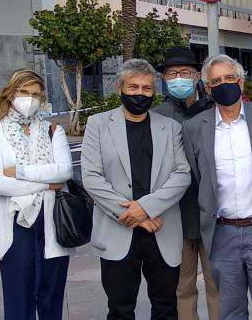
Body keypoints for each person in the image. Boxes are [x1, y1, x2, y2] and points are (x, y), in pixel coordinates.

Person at [82, 59, 191, 320]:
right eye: (133, 88)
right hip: (119, 230)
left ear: (154, 92)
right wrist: (137, 215)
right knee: (120, 309)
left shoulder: (171, 127)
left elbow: (182, 174)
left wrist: (145, 208)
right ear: (119, 88)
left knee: (166, 308)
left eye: (146, 89)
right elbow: (92, 177)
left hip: (161, 229)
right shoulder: (97, 124)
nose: (139, 94)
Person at [182, 54, 252, 320]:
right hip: (222, 235)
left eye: (230, 78)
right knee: (230, 312)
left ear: (241, 82)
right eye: (216, 81)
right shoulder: (194, 127)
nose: (224, 84)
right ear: (207, 88)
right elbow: (197, 177)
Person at [0, 69, 74, 319]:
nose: (29, 99)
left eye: (36, 94)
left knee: (51, 297)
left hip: (53, 221)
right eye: (24, 92)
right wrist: (45, 183)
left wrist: (19, 171)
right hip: (14, 223)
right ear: (10, 94)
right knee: (18, 301)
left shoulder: (53, 130)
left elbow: (64, 171)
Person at [150, 46, 220, 320]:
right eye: (171, 74)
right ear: (164, 80)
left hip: (211, 214)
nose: (178, 78)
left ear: (197, 76)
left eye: (185, 73)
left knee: (218, 286)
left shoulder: (215, 112)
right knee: (181, 287)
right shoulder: (157, 117)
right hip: (173, 217)